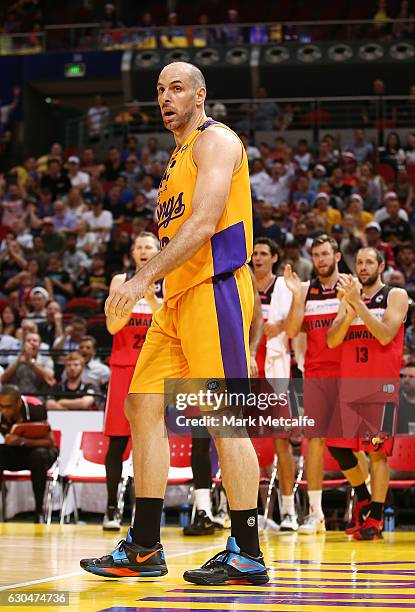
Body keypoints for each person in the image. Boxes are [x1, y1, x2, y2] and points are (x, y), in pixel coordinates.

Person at [80, 61, 268, 586]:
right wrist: (155, 284)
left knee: (224, 421)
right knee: (140, 404)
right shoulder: (175, 159)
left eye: (176, 87)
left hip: (217, 291)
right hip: (177, 300)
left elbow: (206, 222)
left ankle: (247, 552)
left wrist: (140, 281)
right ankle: (143, 545)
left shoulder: (217, 141)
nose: (165, 97)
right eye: (159, 89)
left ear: (200, 94)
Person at [327, 247, 408, 540]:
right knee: (336, 445)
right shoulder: (348, 297)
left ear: (381, 265)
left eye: (369, 262)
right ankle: (362, 495)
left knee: (376, 453)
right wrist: (348, 312)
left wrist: (357, 304)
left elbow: (385, 334)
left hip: (380, 387)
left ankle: (375, 514)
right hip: (350, 385)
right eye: (359, 262)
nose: (363, 267)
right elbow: (333, 341)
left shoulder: (395, 295)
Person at [101, 232, 162, 530]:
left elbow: (167, 322)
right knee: (117, 442)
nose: (143, 250)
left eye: (148, 246)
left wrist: (151, 298)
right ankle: (112, 508)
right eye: (138, 246)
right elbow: (113, 327)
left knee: (147, 444)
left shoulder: (170, 281)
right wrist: (133, 295)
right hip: (124, 368)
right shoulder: (120, 281)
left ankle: (142, 513)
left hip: (155, 371)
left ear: (159, 251)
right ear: (132, 253)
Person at [284, 234, 343, 535]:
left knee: (357, 445)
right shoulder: (305, 290)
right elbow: (293, 329)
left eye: (325, 254)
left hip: (350, 373)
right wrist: (296, 297)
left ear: (337, 256)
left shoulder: (350, 287)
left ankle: (365, 504)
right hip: (317, 372)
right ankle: (315, 513)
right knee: (314, 442)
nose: (320, 259)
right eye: (316, 254)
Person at [0, 385, 58, 523]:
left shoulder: (35, 407)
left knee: (38, 456)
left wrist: (22, 441)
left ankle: (39, 511)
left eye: (8, 407)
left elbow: (49, 442)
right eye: (1, 406)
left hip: (42, 452)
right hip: (18, 452)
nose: (4, 411)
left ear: (18, 403)